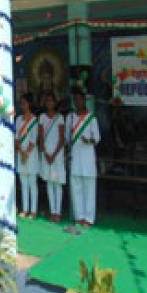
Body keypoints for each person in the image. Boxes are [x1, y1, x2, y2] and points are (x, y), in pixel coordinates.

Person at [67, 89, 100, 227]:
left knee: (89, 188)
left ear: (84, 101)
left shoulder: (92, 118)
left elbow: (97, 138)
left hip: (88, 156)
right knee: (76, 187)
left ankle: (89, 218)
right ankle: (79, 216)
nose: (77, 102)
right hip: (75, 155)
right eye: (75, 100)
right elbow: (68, 138)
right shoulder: (70, 117)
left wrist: (89, 141)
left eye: (80, 99)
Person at [39, 92, 66, 222]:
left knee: (57, 183)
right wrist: (45, 153)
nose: (49, 103)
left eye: (51, 101)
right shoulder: (42, 117)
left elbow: (62, 139)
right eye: (47, 100)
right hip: (46, 153)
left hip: (57, 154)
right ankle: (52, 211)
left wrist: (53, 155)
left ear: (55, 103)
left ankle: (58, 212)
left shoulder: (60, 118)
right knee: (49, 182)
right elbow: (40, 137)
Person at [15, 93, 40, 219]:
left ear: (29, 104)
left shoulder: (34, 120)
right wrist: (21, 151)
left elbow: (34, 139)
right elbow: (16, 138)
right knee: (23, 182)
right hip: (21, 154)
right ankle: (25, 209)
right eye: (21, 103)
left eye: (24, 103)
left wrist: (26, 153)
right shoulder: (18, 119)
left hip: (31, 154)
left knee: (32, 183)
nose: (22, 105)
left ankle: (33, 210)